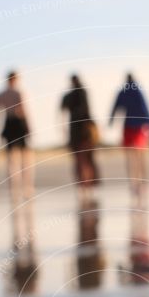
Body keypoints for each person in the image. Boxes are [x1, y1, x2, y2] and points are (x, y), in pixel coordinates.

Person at [0, 70, 34, 246]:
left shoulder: (1, 95)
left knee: (12, 162)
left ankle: (15, 192)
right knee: (25, 160)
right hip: (17, 124)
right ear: (15, 79)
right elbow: (23, 110)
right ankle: (26, 189)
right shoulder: (18, 93)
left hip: (8, 126)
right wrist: (29, 128)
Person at [109, 73, 149, 208]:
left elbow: (116, 107)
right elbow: (146, 109)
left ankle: (134, 185)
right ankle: (142, 184)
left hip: (130, 127)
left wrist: (111, 121)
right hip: (138, 128)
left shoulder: (124, 91)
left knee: (131, 157)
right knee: (140, 156)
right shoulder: (137, 91)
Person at [61, 75, 100, 206]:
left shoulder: (69, 96)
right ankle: (88, 188)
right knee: (87, 161)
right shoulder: (83, 92)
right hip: (85, 131)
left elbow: (61, 112)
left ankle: (83, 189)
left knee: (80, 161)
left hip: (76, 132)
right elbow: (88, 111)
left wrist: (63, 129)